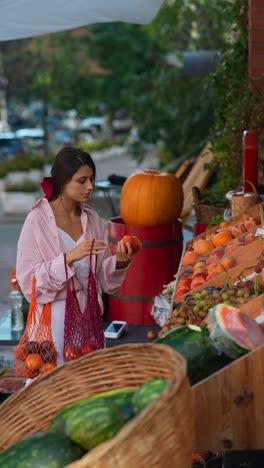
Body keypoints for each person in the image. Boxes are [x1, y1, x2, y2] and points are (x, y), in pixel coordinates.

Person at [16, 146, 138, 371]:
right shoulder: (37, 221)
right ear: (63, 181)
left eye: (92, 179)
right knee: (54, 392)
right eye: (82, 181)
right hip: (51, 326)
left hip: (88, 322)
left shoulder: (93, 220)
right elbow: (28, 282)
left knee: (87, 387)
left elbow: (103, 278)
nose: (90, 187)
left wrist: (119, 262)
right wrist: (68, 258)